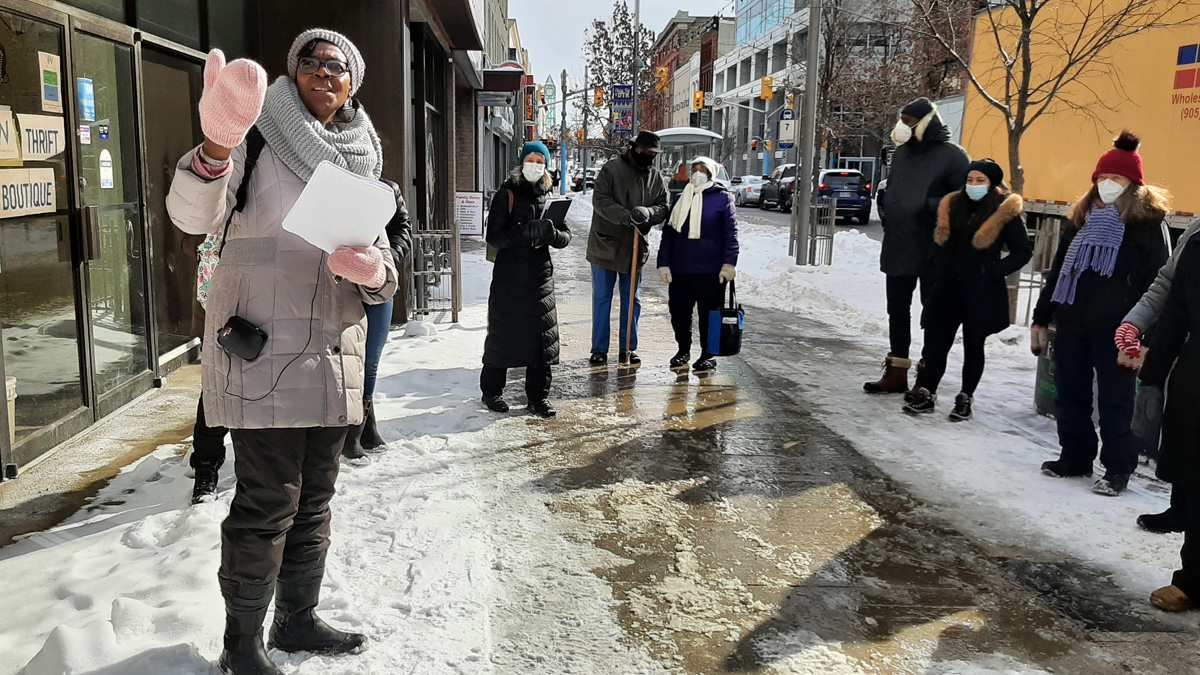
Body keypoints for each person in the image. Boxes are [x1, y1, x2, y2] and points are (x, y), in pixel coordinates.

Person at [167, 30, 400, 675]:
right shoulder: (259, 132)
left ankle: (297, 619)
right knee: (268, 499)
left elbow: (384, 267)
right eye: (311, 62)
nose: (325, 73)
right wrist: (216, 144)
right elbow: (193, 216)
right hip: (262, 349)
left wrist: (374, 271)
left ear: (352, 84)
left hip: (332, 351)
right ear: (292, 73)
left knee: (315, 499)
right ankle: (241, 643)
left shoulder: (363, 157)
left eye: (338, 67)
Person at [1031, 131, 1169, 496]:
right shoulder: (1080, 218)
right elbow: (1059, 271)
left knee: (1115, 403)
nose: (1108, 185)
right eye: (1102, 178)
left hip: (1119, 330)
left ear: (1133, 184)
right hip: (1074, 322)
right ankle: (1074, 456)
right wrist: (1041, 318)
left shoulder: (1148, 224)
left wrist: (1141, 335)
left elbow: (1158, 283)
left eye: (1117, 179)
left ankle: (1118, 469)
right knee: (1070, 393)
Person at [904, 159, 1031, 419]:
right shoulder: (952, 204)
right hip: (947, 286)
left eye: (980, 180)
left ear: (992, 183)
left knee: (974, 345)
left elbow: (1022, 252)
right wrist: (932, 270)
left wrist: (992, 271)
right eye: (970, 180)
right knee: (936, 343)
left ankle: (965, 398)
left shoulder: (1004, 211)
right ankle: (927, 392)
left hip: (980, 290)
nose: (973, 185)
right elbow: (937, 243)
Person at [867, 97, 970, 394]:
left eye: (910, 121)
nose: (904, 126)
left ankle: (928, 374)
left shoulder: (953, 156)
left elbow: (963, 202)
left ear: (926, 123)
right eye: (903, 120)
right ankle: (897, 371)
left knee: (933, 313)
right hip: (899, 244)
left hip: (932, 248)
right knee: (897, 310)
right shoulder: (900, 154)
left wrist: (927, 205)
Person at [1114, 217, 1200, 533]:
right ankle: (1181, 510)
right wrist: (1135, 323)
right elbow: (1169, 286)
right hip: (1192, 357)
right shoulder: (1197, 232)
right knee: (1185, 434)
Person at [480, 142, 571, 417]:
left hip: (540, 278)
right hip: (509, 278)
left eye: (539, 160)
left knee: (541, 340)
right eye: (530, 159)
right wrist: (523, 231)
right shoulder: (506, 194)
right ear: (521, 163)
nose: (535, 165)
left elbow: (565, 236)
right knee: (502, 337)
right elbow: (494, 238)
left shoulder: (548, 194)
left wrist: (552, 234)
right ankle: (491, 393)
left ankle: (538, 398)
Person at [1135, 236, 1200, 613]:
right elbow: (1175, 315)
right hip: (1196, 379)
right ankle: (1192, 581)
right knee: (1195, 484)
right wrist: (1154, 378)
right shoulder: (1197, 247)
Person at [340, 186, 413, 464]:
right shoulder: (332, 184)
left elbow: (402, 226)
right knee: (347, 357)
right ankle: (349, 431)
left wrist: (387, 259)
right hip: (343, 280)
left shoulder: (386, 189)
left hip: (378, 281)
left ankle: (363, 425)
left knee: (370, 359)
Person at [586, 130, 670, 366]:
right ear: (634, 148)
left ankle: (628, 348)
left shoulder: (655, 176)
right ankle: (599, 349)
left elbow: (663, 206)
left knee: (632, 300)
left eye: (652, 153)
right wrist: (627, 217)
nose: (648, 156)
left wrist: (648, 214)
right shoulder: (611, 170)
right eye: (644, 151)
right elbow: (601, 201)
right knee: (602, 299)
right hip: (606, 245)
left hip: (635, 248)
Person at [657, 156, 739, 373]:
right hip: (681, 269)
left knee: (708, 315)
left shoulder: (722, 198)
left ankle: (708, 353)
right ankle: (683, 349)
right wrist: (663, 263)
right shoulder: (681, 198)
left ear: (710, 173)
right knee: (679, 312)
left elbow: (731, 234)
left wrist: (729, 264)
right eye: (693, 169)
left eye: (701, 169)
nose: (697, 173)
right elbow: (669, 235)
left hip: (710, 271)